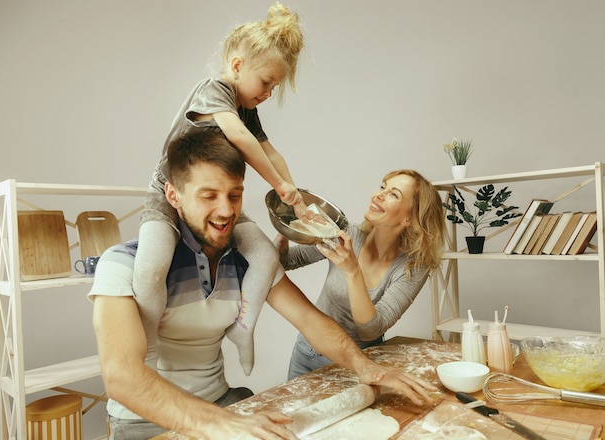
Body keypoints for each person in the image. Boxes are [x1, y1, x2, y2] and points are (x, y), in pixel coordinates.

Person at [90, 128, 437, 440]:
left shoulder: (246, 261)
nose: (226, 211)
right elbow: (122, 376)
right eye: (208, 196)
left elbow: (311, 322)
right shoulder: (122, 264)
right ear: (173, 195)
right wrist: (219, 423)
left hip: (222, 403)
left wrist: (367, 367)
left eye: (235, 195)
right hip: (145, 423)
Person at [133, 2, 316, 371]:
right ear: (237, 67)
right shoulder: (214, 90)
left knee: (265, 256)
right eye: (265, 83)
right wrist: (279, 185)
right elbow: (240, 139)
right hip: (171, 196)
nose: (267, 93)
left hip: (218, 202)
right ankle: (149, 345)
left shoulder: (249, 110)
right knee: (151, 268)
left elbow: (271, 152)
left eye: (274, 87)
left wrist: (297, 198)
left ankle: (243, 328)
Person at [276, 169, 446, 379]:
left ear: (409, 219)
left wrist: (352, 270)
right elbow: (287, 262)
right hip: (308, 352)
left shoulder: (413, 267)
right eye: (383, 186)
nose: (378, 195)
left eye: (394, 194)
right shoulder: (348, 234)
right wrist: (284, 233)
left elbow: (370, 331)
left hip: (358, 364)